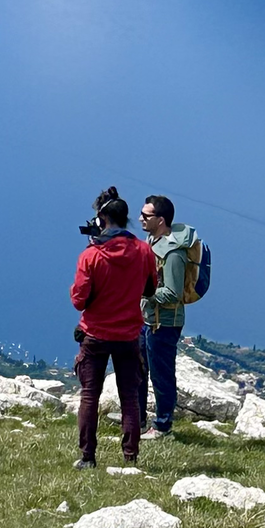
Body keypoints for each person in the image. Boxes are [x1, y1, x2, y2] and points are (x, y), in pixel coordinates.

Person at [69, 187, 159, 468]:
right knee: (130, 396)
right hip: (129, 334)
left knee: (89, 395)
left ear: (103, 218)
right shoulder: (144, 250)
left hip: (95, 334)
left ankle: (87, 457)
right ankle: (130, 457)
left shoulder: (91, 256)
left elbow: (79, 300)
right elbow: (150, 288)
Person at [139, 194, 201, 435]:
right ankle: (138, 418)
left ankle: (163, 425)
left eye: (146, 215)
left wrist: (146, 295)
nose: (140, 218)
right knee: (139, 369)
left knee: (161, 375)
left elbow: (173, 293)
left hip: (164, 324)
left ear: (161, 220)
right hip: (147, 320)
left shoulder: (173, 253)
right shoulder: (152, 240)